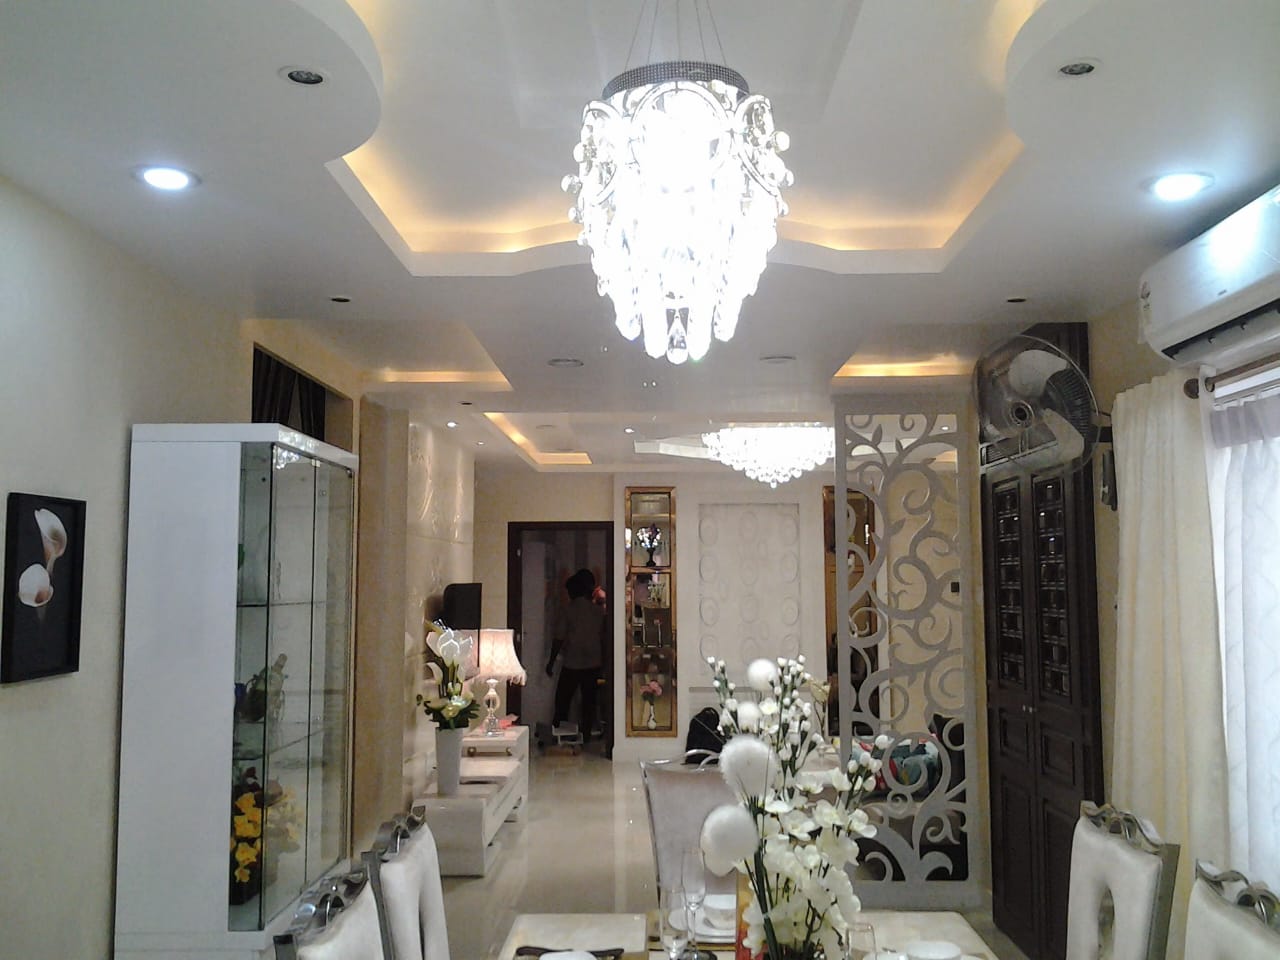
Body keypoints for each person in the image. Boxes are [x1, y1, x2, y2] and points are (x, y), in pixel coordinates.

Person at [546, 568, 606, 741]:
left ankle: (559, 734)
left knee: (563, 701)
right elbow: (603, 637)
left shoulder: (568, 610)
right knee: (589, 702)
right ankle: (586, 735)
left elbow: (559, 638)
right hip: (594, 662)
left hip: (572, 662)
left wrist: (551, 662)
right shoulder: (598, 611)